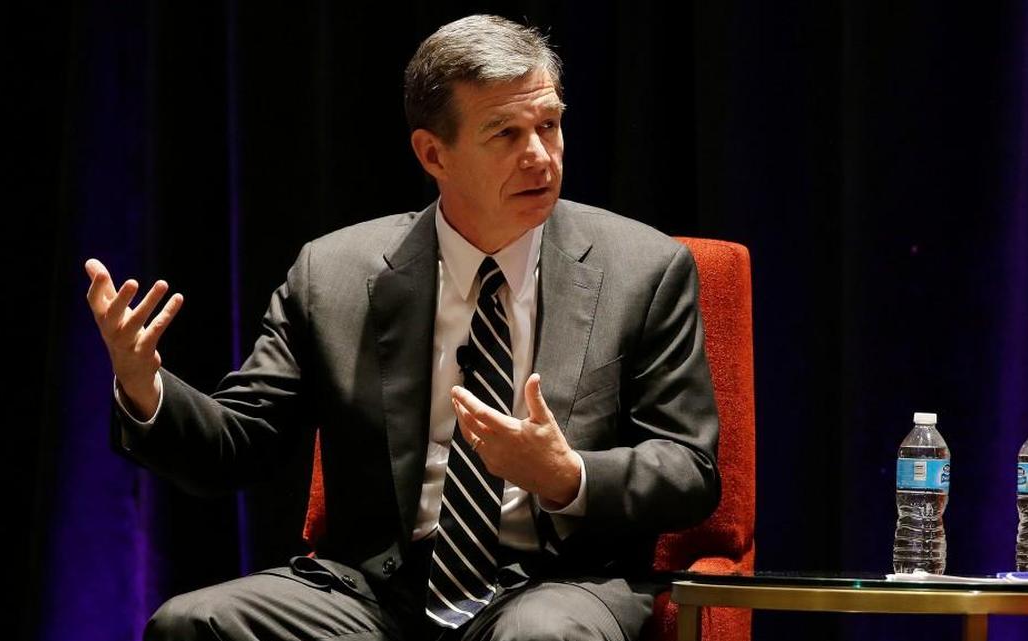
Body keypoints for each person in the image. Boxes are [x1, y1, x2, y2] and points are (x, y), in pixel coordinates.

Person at [84, 14, 720, 641]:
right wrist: (145, 388)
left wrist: (567, 474)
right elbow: (241, 445)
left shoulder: (640, 269)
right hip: (379, 593)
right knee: (192, 625)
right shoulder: (335, 275)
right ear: (433, 153)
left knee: (540, 635)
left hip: (557, 583)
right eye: (505, 133)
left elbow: (689, 469)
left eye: (548, 125)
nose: (539, 156)